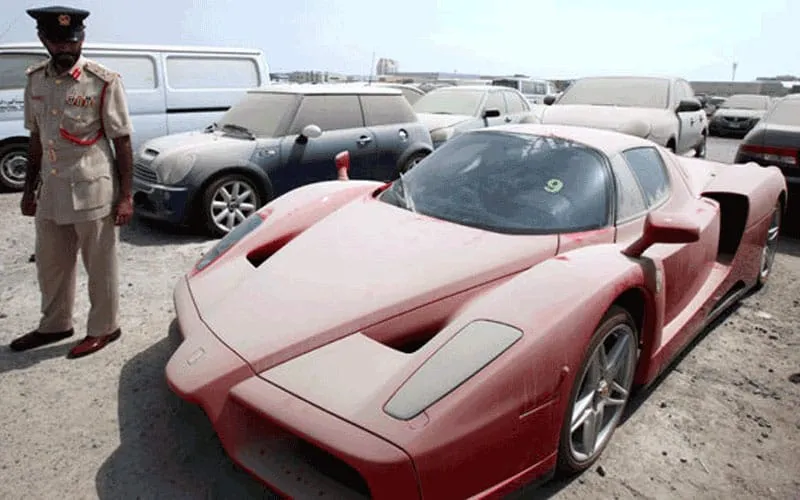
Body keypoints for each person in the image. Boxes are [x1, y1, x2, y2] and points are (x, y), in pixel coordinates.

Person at [8, 6, 135, 359]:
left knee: (100, 264)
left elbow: (121, 140)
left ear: (81, 39)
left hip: (92, 188)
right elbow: (35, 138)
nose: (66, 48)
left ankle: (104, 328)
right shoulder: (35, 79)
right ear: (43, 40)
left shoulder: (102, 81)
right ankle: (55, 325)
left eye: (72, 41)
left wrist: (126, 197)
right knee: (52, 264)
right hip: (51, 189)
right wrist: (27, 190)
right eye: (57, 41)